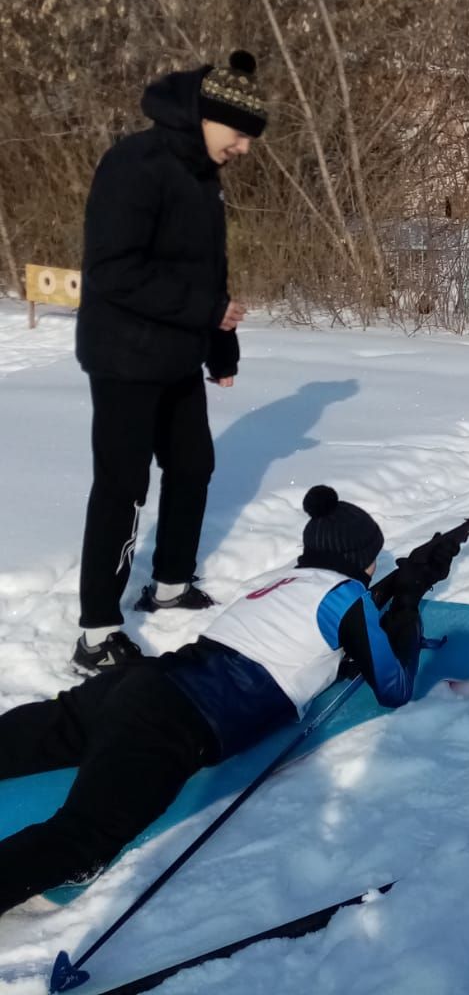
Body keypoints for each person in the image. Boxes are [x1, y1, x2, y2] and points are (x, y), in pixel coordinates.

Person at [0, 486, 469, 918]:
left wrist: (400, 584)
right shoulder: (347, 597)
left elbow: (330, 618)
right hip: (172, 723)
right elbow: (394, 687)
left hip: (134, 684)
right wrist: (411, 600)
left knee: (18, 739)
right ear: (360, 560)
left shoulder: (281, 582)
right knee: (83, 839)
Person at [73, 50, 268, 672]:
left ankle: (170, 585)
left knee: (192, 464)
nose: (243, 148)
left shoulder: (200, 177)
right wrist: (206, 312)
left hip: (178, 353)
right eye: (238, 134)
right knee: (123, 486)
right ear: (206, 117)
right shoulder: (136, 165)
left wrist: (220, 344)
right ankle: (98, 632)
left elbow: (211, 276)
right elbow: (113, 272)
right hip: (126, 356)